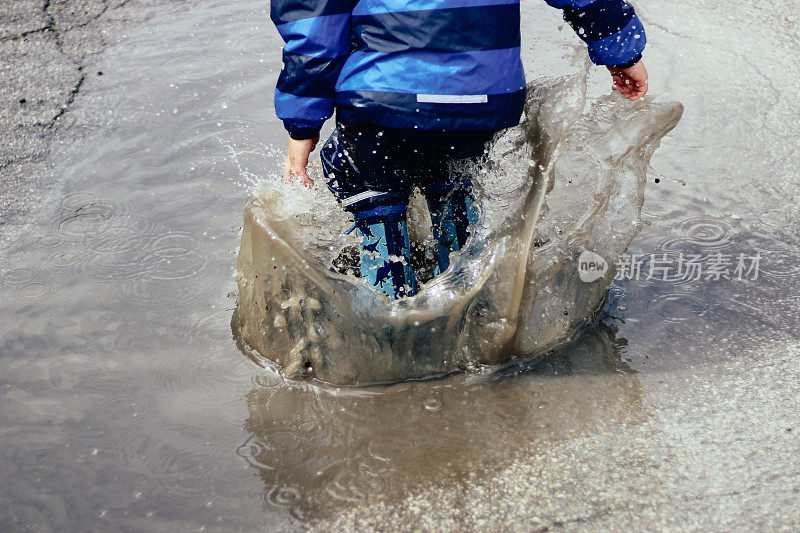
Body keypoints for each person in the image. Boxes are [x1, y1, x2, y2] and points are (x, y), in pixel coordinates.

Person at [271, 0, 649, 299]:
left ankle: (389, 321)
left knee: (359, 175)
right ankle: (468, 305)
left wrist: (302, 124)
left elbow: (316, 26)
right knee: (452, 176)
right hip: (488, 98)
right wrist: (623, 54)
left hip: (389, 97)